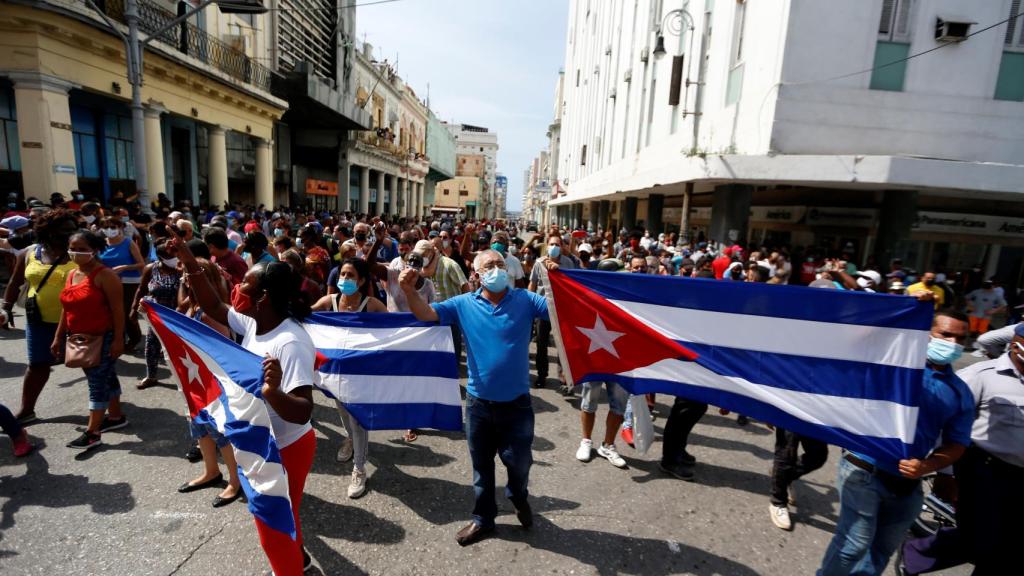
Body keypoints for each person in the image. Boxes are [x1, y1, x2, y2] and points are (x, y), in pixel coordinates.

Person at [172, 233, 318, 574]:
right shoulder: (257, 321)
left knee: (271, 527)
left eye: (244, 286)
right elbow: (213, 307)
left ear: (263, 297)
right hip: (259, 440)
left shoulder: (291, 342)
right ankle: (299, 560)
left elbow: (303, 410)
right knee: (284, 515)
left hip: (286, 446)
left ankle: (290, 567)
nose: (236, 290)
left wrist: (272, 393)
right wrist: (191, 264)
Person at [400, 249, 554, 546]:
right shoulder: (462, 304)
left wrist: (555, 278)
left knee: (519, 463)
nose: (496, 269)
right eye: (489, 265)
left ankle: (518, 496)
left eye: (500, 264)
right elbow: (427, 314)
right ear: (477, 273)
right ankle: (484, 519)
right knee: (482, 469)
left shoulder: (524, 299)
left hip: (517, 405)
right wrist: (408, 289)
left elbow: (558, 311)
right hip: (478, 405)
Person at [818, 311, 974, 576]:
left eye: (960, 338)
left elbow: (956, 444)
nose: (952, 344)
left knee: (881, 551)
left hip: (908, 484)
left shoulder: (960, 392)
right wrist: (908, 311)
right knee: (853, 545)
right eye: (945, 335)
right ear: (927, 333)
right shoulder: (894, 366)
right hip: (864, 469)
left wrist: (928, 465)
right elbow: (856, 343)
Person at [899, 323, 1024, 575]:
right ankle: (916, 554)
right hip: (985, 470)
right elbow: (948, 425)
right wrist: (944, 472)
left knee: (1010, 547)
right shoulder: (982, 375)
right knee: (982, 542)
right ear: (1016, 343)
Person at [312, 258, 385, 499]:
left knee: (357, 419)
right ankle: (351, 441)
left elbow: (394, 328)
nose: (344, 279)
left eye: (350, 275)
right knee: (343, 412)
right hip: (335, 374)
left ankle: (359, 468)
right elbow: (304, 317)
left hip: (362, 375)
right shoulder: (329, 302)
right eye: (342, 274)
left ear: (362, 280)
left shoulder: (372, 305)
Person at [1, 210, 79, 423]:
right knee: (37, 365)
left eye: (73, 229)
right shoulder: (29, 253)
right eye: (65, 231)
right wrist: (6, 308)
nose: (70, 234)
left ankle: (107, 409)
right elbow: (15, 282)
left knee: (89, 364)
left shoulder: (80, 252)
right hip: (38, 320)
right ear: (49, 231)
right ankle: (27, 410)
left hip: (77, 321)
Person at [54, 230, 127, 451]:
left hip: (103, 338)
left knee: (97, 384)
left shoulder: (106, 275)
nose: (75, 253)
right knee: (106, 377)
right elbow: (66, 309)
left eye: (82, 249)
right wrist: (58, 336)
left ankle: (93, 432)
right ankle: (115, 417)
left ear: (94, 250)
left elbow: (118, 310)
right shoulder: (71, 274)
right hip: (79, 339)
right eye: (72, 248)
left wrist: (117, 340)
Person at [528, 233, 578, 390]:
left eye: (558, 244)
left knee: (563, 345)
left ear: (562, 246)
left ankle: (564, 378)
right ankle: (542, 375)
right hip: (543, 309)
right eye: (552, 244)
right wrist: (530, 305)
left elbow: (574, 285)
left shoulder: (568, 263)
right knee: (541, 344)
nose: (554, 247)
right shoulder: (539, 263)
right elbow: (532, 284)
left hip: (563, 310)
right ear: (547, 245)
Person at [131, 239, 182, 389]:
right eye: (170, 256)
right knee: (151, 346)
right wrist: (133, 309)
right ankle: (151, 376)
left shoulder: (183, 269)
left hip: (179, 316)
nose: (174, 257)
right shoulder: (150, 269)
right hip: (156, 315)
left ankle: (184, 380)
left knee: (178, 349)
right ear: (160, 257)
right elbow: (141, 289)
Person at [98, 215, 145, 351]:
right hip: (109, 282)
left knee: (126, 312)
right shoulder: (101, 244)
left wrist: (125, 267)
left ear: (120, 228)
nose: (109, 230)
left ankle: (135, 338)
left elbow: (141, 263)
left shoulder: (128, 242)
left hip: (129, 282)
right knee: (111, 312)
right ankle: (118, 338)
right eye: (106, 227)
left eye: (113, 227)